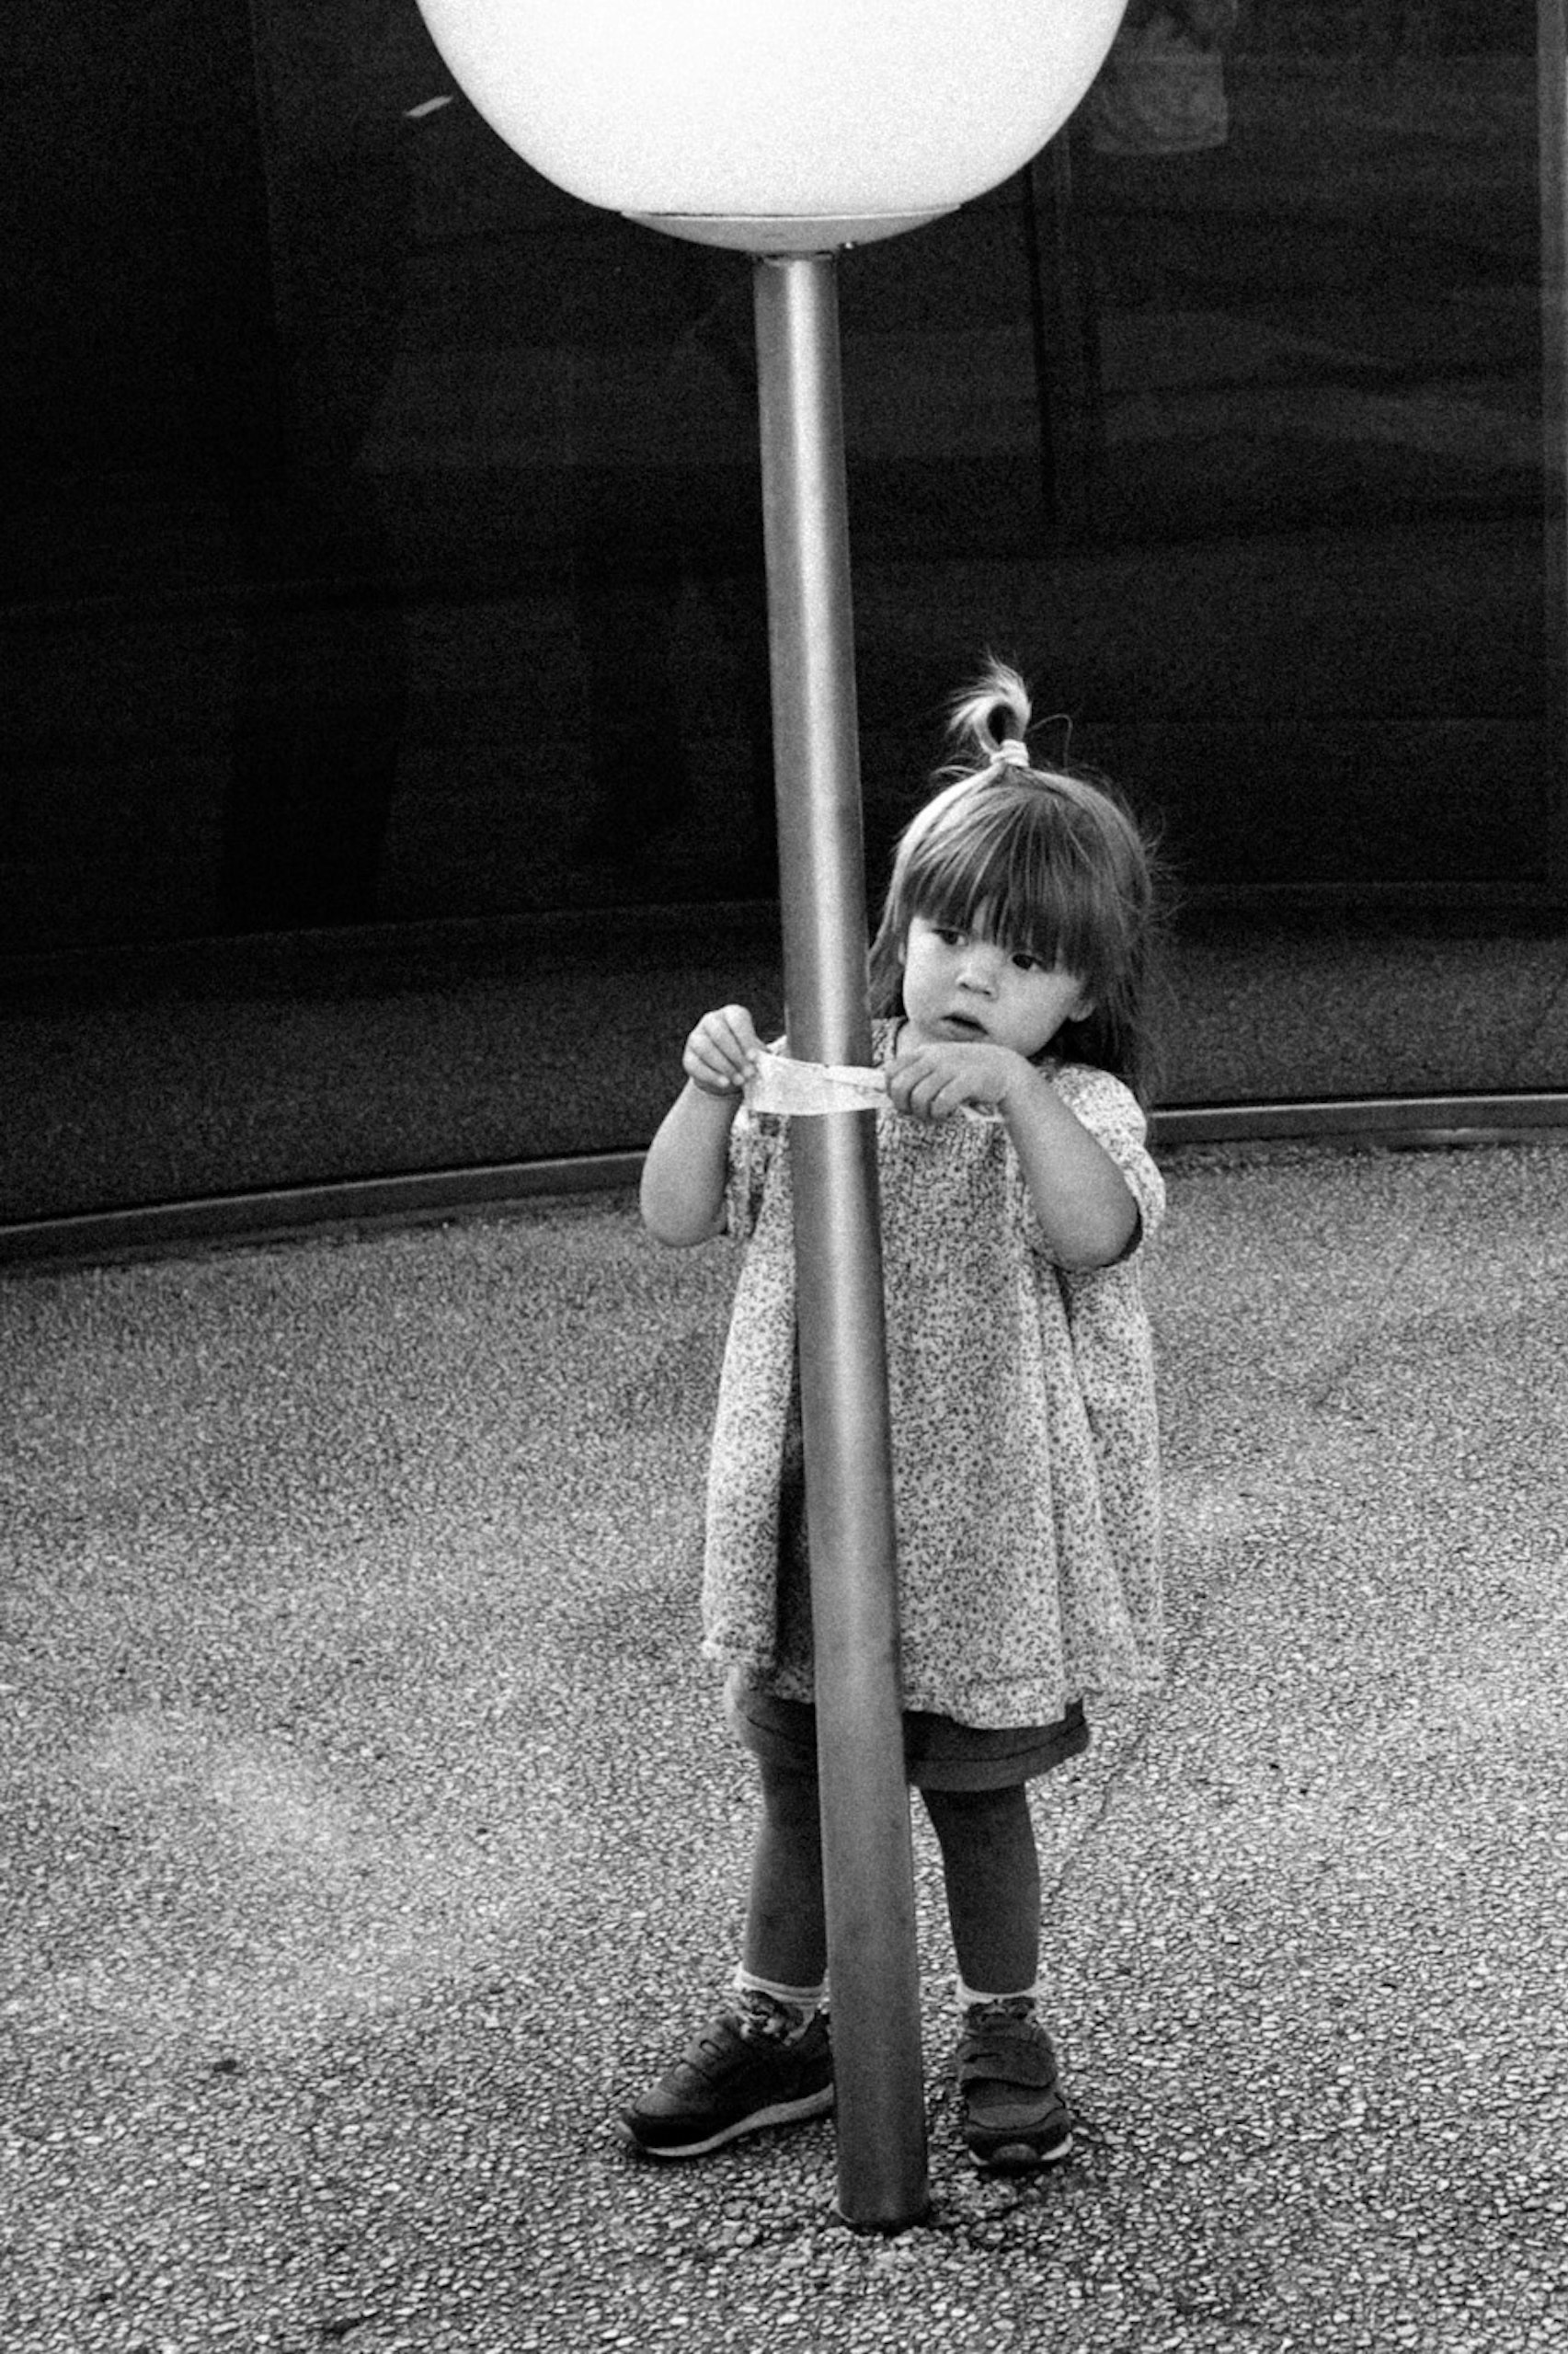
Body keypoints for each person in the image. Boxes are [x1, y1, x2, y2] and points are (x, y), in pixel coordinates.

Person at [623, 657, 1169, 2175]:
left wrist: (1013, 1091)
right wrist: (709, 1089)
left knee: (976, 1797)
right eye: (945, 935)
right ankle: (781, 2025)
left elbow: (1094, 1233)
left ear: (1083, 990)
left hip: (981, 1527)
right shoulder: (826, 1080)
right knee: (800, 1773)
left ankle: (1007, 2026)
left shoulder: (1076, 1112)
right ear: (893, 935)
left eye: (1018, 958)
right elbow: (676, 1214)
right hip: (817, 1508)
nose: (971, 974)